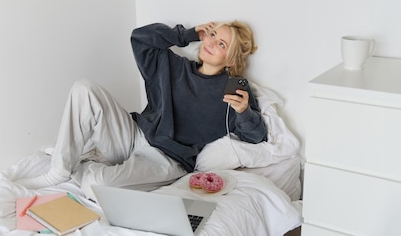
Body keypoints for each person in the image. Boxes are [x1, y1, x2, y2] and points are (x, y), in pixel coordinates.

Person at [15, 21, 267, 196]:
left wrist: (244, 112)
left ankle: (83, 165)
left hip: (166, 160)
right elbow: (140, 38)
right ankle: (59, 170)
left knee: (96, 183)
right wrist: (185, 34)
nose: (211, 42)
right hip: (133, 134)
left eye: (222, 44)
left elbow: (256, 137)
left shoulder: (233, 90)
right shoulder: (173, 65)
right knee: (84, 88)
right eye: (212, 35)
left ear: (231, 60)